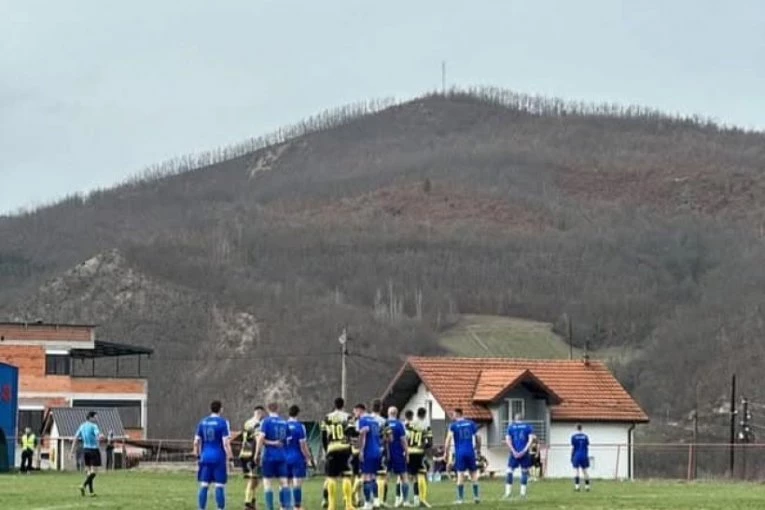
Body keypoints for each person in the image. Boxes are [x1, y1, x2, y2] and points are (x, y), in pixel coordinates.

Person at [194, 400, 233, 510]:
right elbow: (226, 442)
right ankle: (220, 508)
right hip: (218, 457)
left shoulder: (202, 422)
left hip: (205, 457)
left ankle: (202, 508)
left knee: (204, 484)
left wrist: (197, 455)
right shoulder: (223, 422)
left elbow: (196, 442)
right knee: (219, 485)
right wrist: (230, 457)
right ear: (221, 409)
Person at [321, 397, 355, 510]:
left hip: (332, 448)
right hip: (344, 448)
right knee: (347, 476)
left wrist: (327, 449)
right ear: (343, 405)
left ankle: (331, 506)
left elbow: (323, 436)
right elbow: (351, 432)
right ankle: (349, 505)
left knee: (331, 478)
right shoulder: (348, 416)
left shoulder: (326, 418)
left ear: (334, 405)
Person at [257, 402, 291, 510]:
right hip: (282, 456)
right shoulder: (284, 422)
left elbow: (261, 439)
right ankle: (285, 507)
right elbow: (288, 440)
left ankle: (270, 508)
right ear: (278, 409)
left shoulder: (265, 422)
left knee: (267, 483)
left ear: (268, 409)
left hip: (269, 457)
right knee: (284, 483)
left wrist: (257, 453)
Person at [443, 408, 481, 504]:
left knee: (460, 474)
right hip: (470, 451)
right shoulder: (471, 423)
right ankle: (476, 497)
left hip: (460, 452)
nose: (452, 416)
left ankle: (460, 499)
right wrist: (478, 449)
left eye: (453, 414)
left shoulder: (453, 426)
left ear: (458, 414)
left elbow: (448, 440)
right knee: (473, 474)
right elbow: (478, 437)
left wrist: (446, 453)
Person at [286, 405, 314, 510]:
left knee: (285, 483)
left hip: (284, 458)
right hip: (297, 458)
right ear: (298, 413)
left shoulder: (283, 426)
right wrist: (308, 458)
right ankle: (297, 507)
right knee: (297, 483)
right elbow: (303, 446)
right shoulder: (300, 426)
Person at [71, 411, 104, 497]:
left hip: (85, 450)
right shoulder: (94, 426)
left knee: (89, 472)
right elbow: (98, 436)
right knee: (94, 471)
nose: (97, 419)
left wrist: (71, 451)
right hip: (94, 450)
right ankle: (83, 485)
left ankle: (91, 492)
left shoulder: (82, 426)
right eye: (95, 417)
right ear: (91, 417)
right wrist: (101, 436)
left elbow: (75, 438)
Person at [357, 403, 382, 510]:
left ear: (360, 410)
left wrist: (361, 450)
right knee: (373, 477)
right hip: (377, 451)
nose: (355, 414)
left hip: (368, 451)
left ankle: (367, 504)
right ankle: (376, 500)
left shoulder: (363, 420)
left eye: (355, 411)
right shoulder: (375, 421)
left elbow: (364, 435)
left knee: (366, 477)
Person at [406, 407, 432, 508]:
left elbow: (405, 438)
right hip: (418, 452)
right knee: (421, 474)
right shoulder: (425, 425)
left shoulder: (409, 424)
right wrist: (423, 446)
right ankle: (422, 499)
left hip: (409, 451)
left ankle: (411, 499)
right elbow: (429, 442)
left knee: (410, 477)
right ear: (425, 415)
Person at [504, 413, 534, 499]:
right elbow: (530, 440)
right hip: (524, 453)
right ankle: (523, 494)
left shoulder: (511, 427)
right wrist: (524, 451)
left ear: (514, 419)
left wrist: (513, 451)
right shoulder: (528, 427)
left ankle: (507, 493)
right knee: (524, 472)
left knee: (509, 471)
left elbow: (508, 440)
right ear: (523, 419)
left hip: (514, 453)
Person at [241, 405, 266, 510]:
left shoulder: (247, 422)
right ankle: (247, 502)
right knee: (253, 479)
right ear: (260, 412)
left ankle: (252, 501)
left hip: (244, 452)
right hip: (252, 454)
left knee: (255, 479)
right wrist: (258, 454)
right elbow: (258, 439)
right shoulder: (258, 424)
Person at [385, 407, 409, 508]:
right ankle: (405, 500)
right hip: (398, 453)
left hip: (386, 453)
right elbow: (403, 440)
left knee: (384, 477)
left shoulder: (385, 423)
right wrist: (407, 453)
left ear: (388, 413)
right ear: (397, 413)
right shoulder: (399, 424)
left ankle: (382, 500)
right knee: (404, 476)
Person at [369, 400, 388, 506]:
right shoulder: (384, 421)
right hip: (379, 450)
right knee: (381, 475)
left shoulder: (366, 419)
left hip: (368, 451)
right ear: (380, 407)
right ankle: (380, 501)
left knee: (369, 475)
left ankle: (370, 500)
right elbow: (389, 437)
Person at [571, 424, 591, 492]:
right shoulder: (585, 436)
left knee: (576, 471)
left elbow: (573, 447)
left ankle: (577, 487)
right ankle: (587, 487)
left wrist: (572, 456)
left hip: (577, 455)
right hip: (584, 455)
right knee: (585, 471)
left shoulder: (574, 437)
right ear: (581, 428)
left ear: (576, 428)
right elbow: (587, 445)